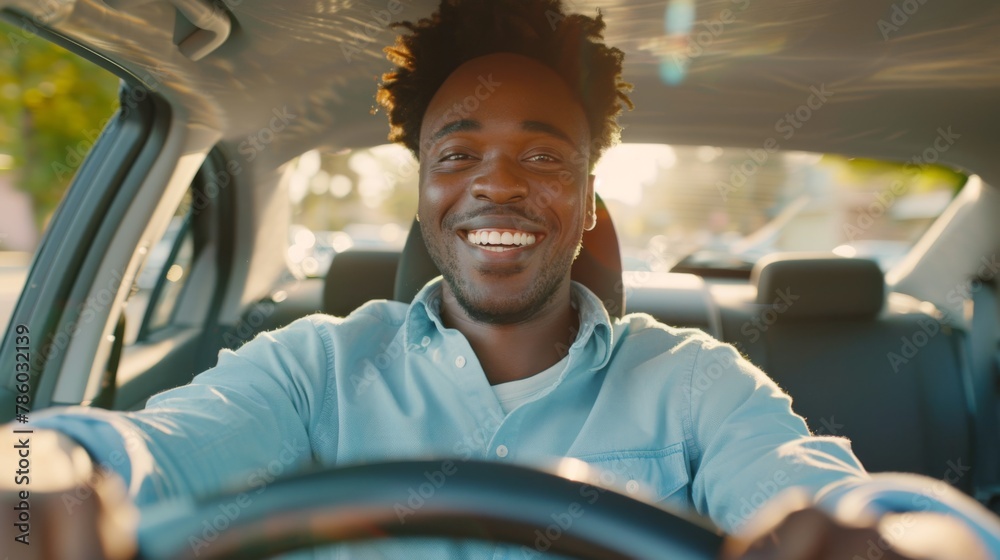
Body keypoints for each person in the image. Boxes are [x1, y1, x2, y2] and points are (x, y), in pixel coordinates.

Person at [3, 0, 999, 558]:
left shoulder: (697, 380)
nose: (497, 186)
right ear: (425, 190)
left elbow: (839, 498)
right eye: (457, 154)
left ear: (588, 198)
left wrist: (901, 537)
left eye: (542, 156)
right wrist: (29, 468)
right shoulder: (313, 364)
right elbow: (115, 450)